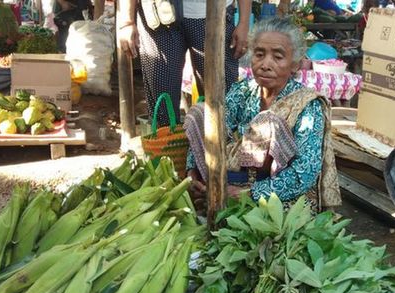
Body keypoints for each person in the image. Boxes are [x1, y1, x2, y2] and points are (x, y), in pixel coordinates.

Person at [184, 17, 341, 211]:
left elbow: (305, 172)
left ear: (294, 64)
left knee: (269, 124)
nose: (266, 64)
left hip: (279, 197)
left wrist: (251, 193)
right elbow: (213, 130)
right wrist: (193, 172)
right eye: (259, 54)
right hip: (231, 184)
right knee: (202, 114)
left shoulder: (307, 105)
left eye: (278, 57)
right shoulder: (243, 91)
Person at [117, 0, 252, 124]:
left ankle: (225, 147)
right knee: (163, 105)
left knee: (223, 102)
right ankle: (166, 148)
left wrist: (244, 21)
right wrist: (127, 22)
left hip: (214, 14)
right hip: (158, 15)